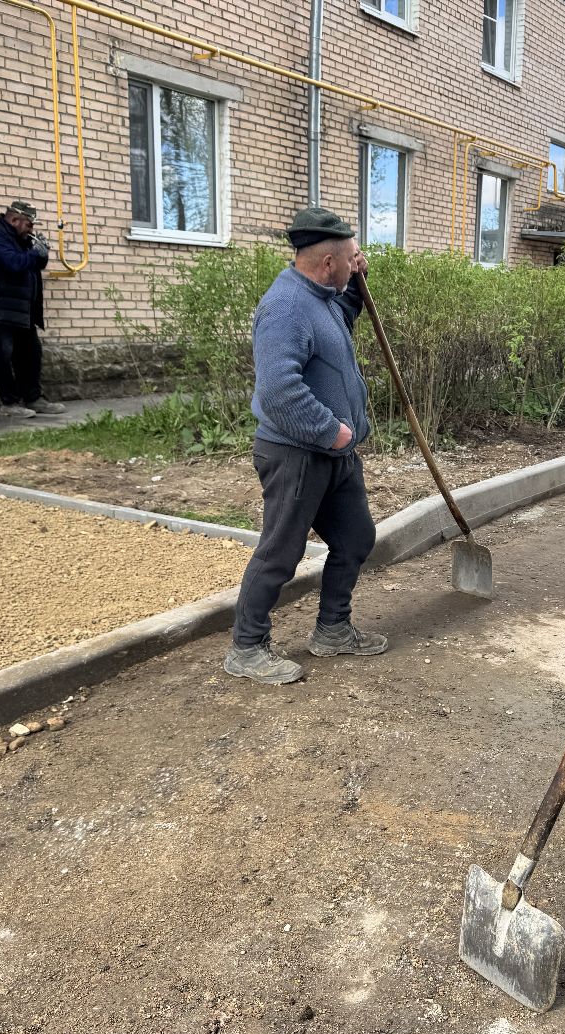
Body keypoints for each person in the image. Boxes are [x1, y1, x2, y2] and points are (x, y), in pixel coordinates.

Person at [224, 207, 388, 685]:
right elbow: (278, 390)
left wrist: (358, 282)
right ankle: (247, 647)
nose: (359, 261)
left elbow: (342, 321)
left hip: (334, 456)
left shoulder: (323, 295)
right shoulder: (285, 307)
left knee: (356, 538)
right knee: (281, 551)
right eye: (353, 258)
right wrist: (331, 431)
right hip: (296, 453)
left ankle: (333, 630)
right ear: (327, 263)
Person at [0, 199, 65, 419]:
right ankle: (9, 403)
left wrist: (40, 252)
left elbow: (36, 264)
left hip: (20, 310)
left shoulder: (20, 238)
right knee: (2, 356)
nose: (31, 230)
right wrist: (34, 253)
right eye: (29, 225)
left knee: (31, 354)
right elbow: (13, 263)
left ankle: (33, 398)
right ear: (14, 220)